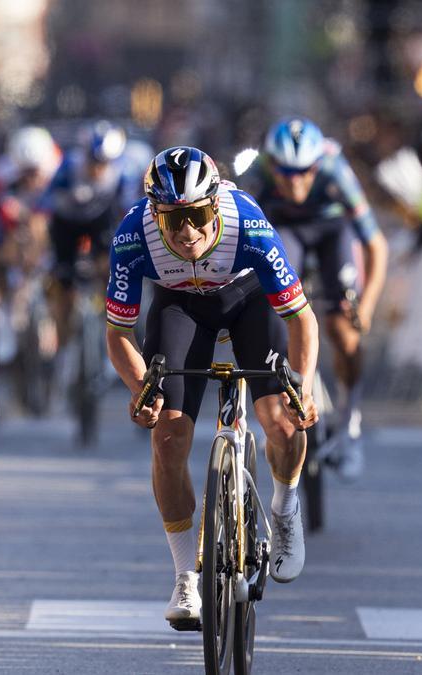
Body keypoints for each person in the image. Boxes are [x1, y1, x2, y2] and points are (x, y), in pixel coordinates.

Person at [105, 146, 318, 627]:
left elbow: (303, 320)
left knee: (281, 423)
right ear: (155, 214)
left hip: (249, 301)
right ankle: (185, 577)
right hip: (181, 308)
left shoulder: (249, 225)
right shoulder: (131, 235)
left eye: (198, 215)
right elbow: (118, 333)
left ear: (216, 203)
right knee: (168, 436)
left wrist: (301, 387)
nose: (188, 232)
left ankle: (284, 509)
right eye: (174, 220)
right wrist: (140, 386)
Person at [240, 117, 388, 479]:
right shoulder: (255, 174)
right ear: (271, 165)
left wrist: (365, 306)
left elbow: (375, 244)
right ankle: (278, 408)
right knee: (273, 309)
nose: (295, 181)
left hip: (330, 230)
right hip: (284, 229)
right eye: (286, 173)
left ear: (317, 166)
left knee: (343, 331)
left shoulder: (336, 170)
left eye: (304, 172)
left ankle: (349, 428)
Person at [32, 120, 146, 384]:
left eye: (104, 163)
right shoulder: (70, 166)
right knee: (64, 283)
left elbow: (128, 211)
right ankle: (64, 345)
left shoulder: (123, 172)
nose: (98, 169)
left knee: (110, 268)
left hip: (98, 223)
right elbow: (44, 205)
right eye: (94, 161)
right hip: (66, 224)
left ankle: (107, 336)